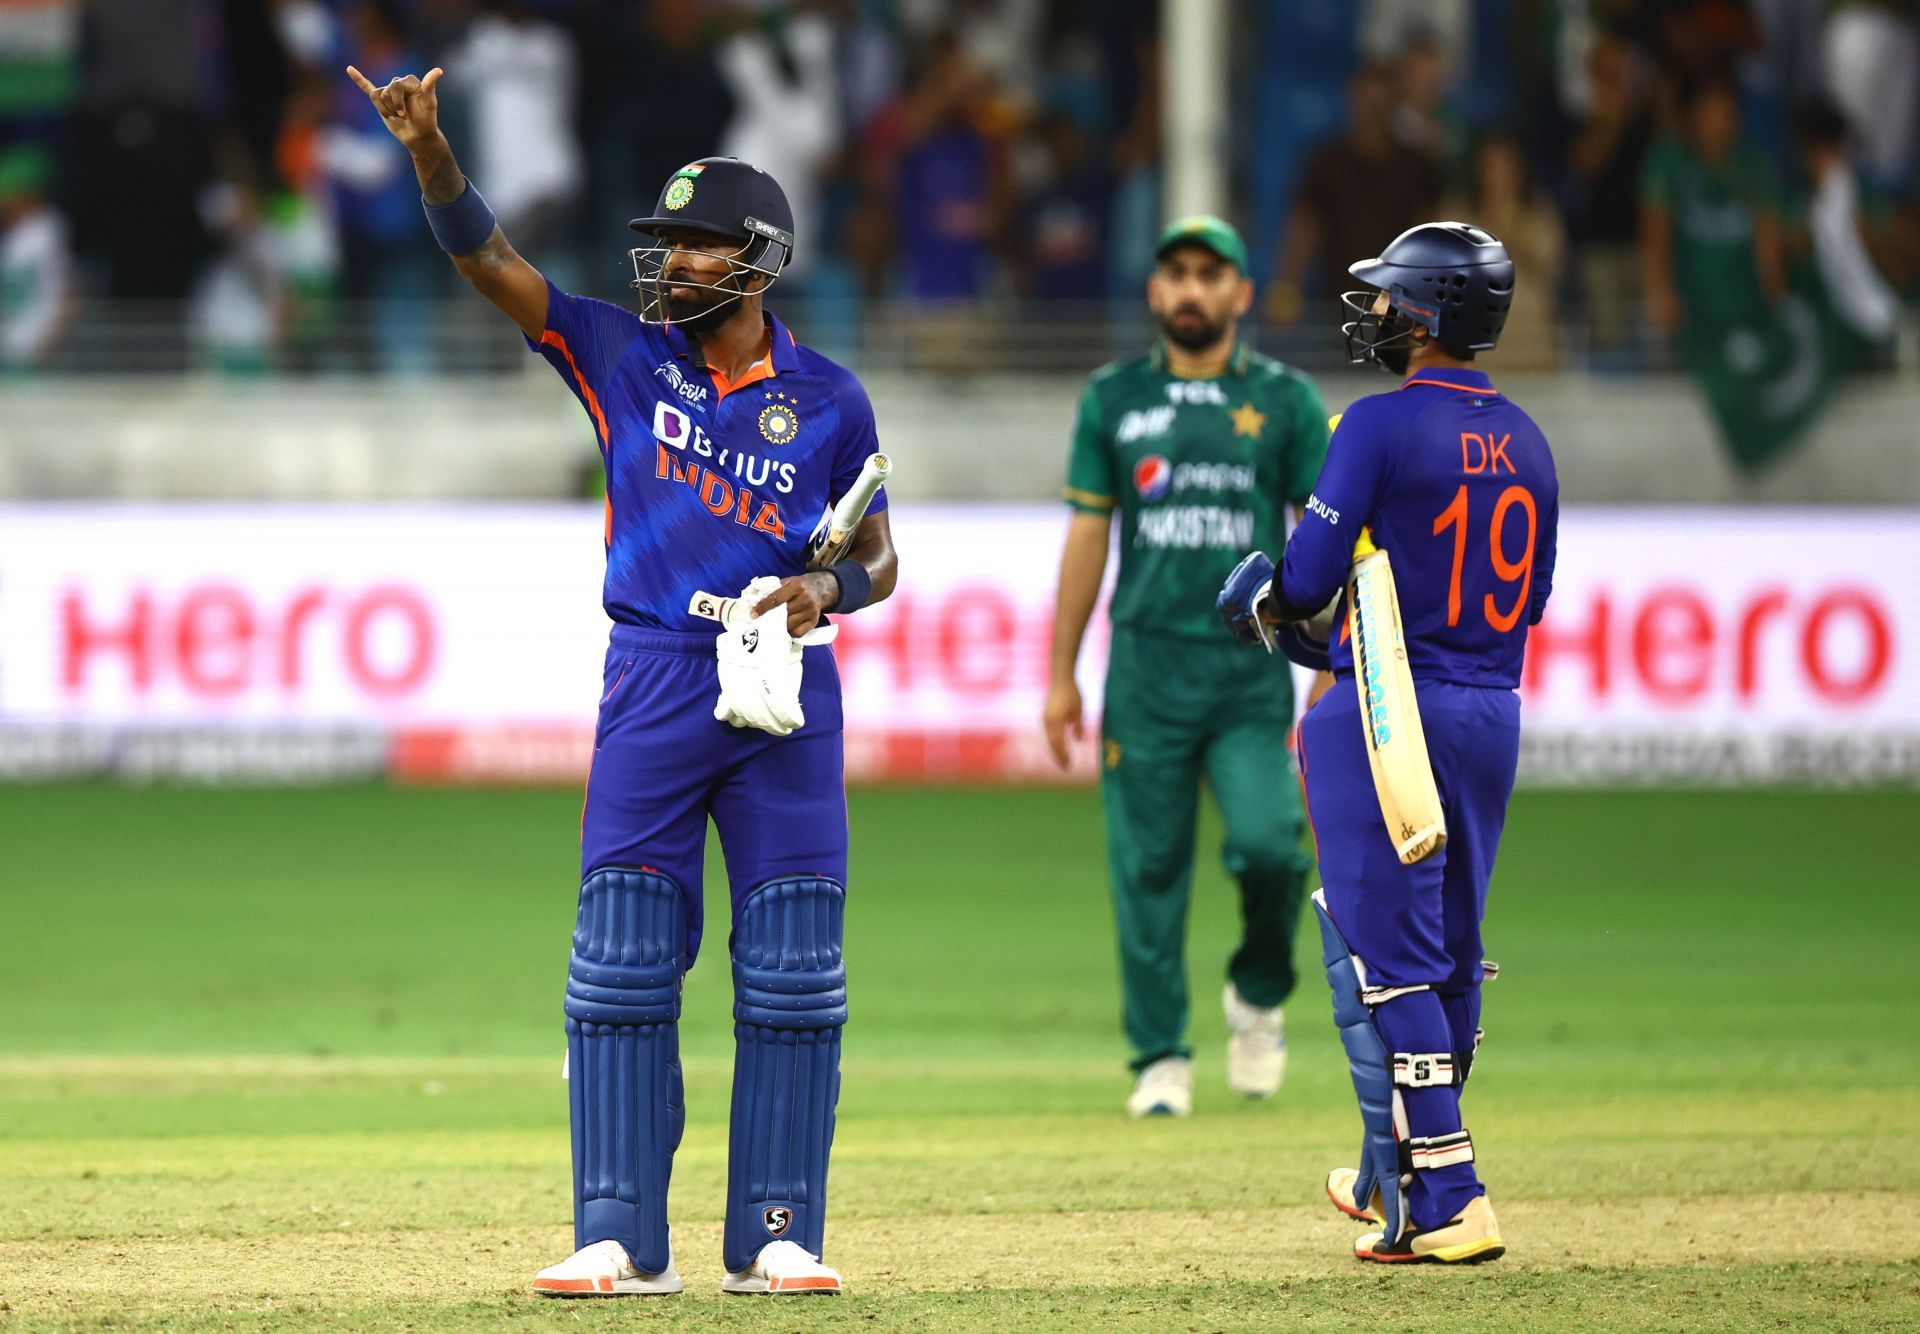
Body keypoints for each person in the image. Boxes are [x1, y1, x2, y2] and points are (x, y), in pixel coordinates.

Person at [345, 63, 898, 1297]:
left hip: (785, 691)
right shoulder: (616, 351)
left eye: (700, 249)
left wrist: (828, 594)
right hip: (654, 675)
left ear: (760, 258)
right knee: (623, 960)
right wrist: (432, 152)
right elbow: (487, 259)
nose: (675, 267)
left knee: (796, 971)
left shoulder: (830, 400)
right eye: (669, 246)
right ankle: (619, 1235)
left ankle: (774, 1232)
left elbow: (880, 553)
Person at [1218, 221, 1559, 1263]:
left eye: (1385, 298)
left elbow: (1310, 580)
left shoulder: (1375, 425)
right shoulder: (1532, 438)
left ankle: (1450, 1190)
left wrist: (1265, 611)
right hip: (1492, 707)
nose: (1371, 314)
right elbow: (1531, 599)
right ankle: (1397, 1178)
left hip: (1383, 704)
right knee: (1450, 949)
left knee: (1384, 953)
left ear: (1423, 313)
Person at [1045, 216, 1332, 1119]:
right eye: (1175, 273)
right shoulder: (1113, 397)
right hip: (1145, 672)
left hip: (1250, 669)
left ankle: (1257, 992)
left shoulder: (1284, 402)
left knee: (1270, 850)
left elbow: (1326, 543)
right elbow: (1090, 534)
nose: (1191, 289)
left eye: (1211, 274)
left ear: (1242, 294)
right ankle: (1160, 1058)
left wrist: (1330, 660)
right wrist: (1060, 672)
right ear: (1153, 291)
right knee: (1148, 871)